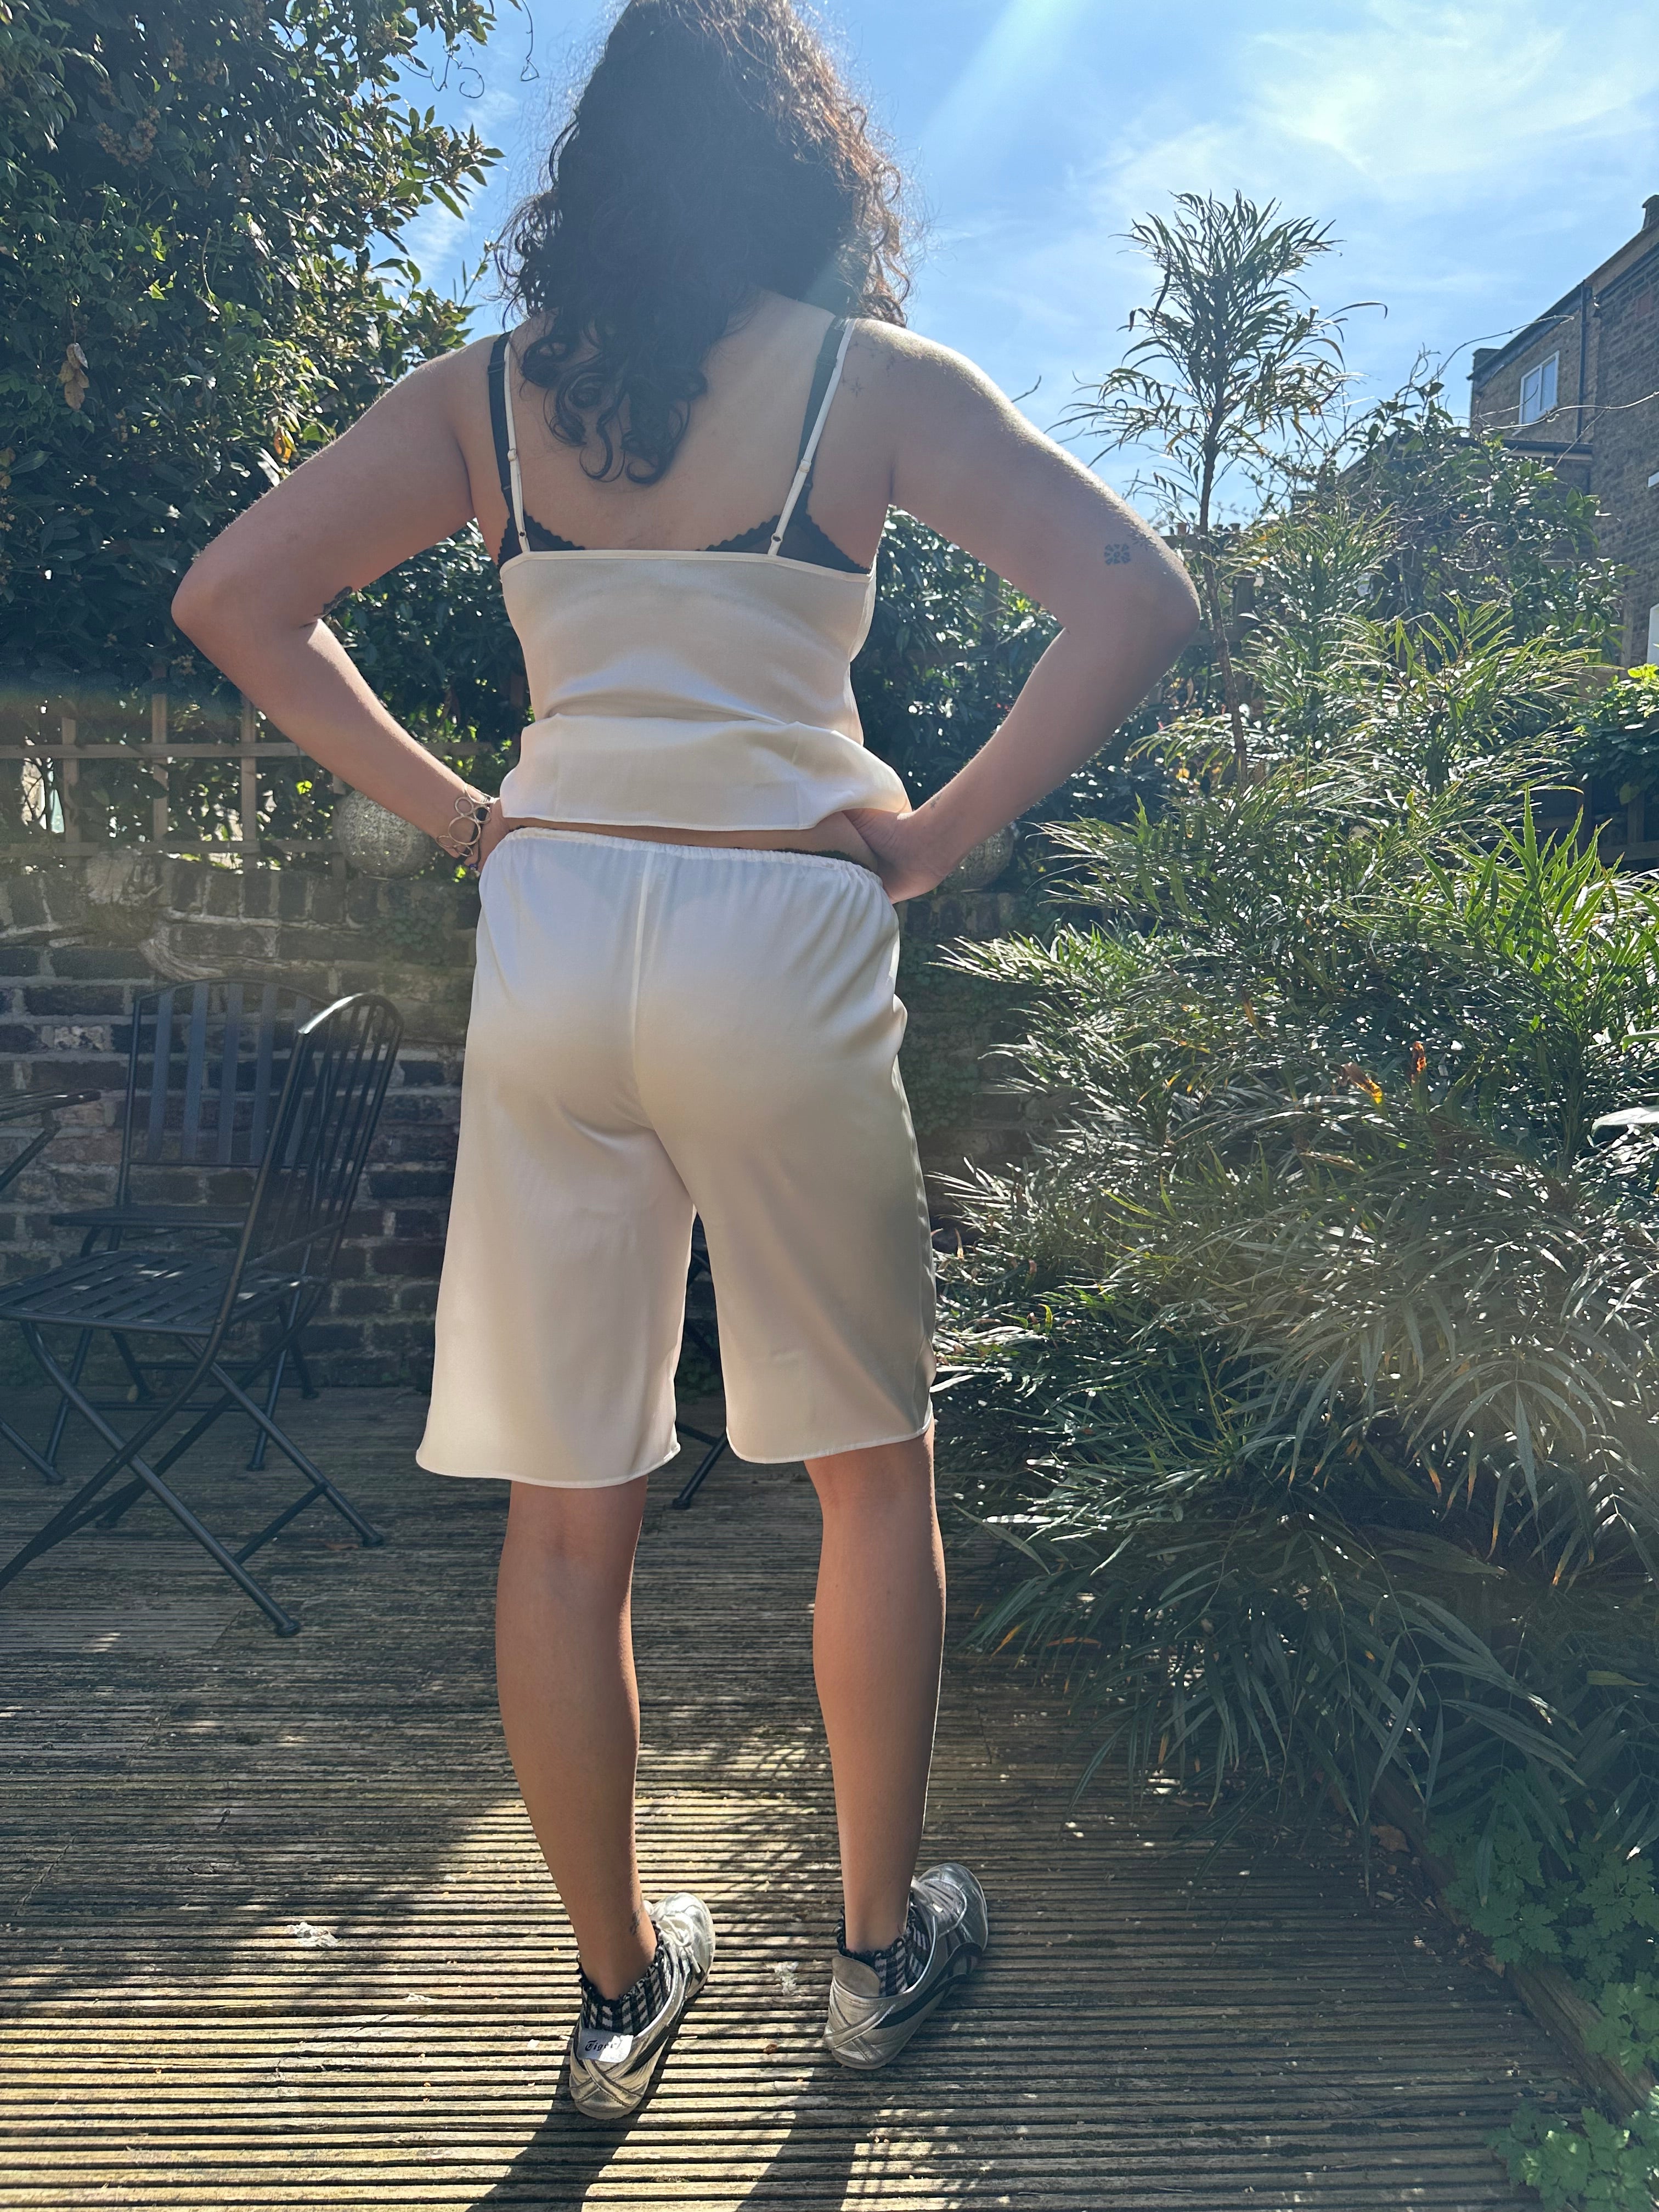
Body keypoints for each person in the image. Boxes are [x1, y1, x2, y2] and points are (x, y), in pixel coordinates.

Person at [173, 0, 1199, 2124]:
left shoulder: (488, 397)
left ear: (599, 178)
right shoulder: (873, 386)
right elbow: (1136, 599)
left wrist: (472, 817)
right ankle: (871, 1957)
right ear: (808, 165)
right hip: (780, 928)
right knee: (872, 1471)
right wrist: (931, 834)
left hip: (558, 936)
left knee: (570, 1513)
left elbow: (237, 597)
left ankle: (619, 1994)